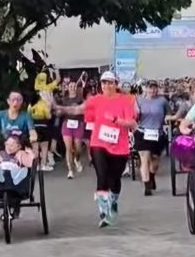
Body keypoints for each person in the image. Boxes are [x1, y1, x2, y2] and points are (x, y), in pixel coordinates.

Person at [56, 72, 137, 227]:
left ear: (116, 84)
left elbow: (132, 123)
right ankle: (103, 211)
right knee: (101, 175)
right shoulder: (96, 100)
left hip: (119, 147)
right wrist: (56, 107)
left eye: (110, 83)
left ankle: (113, 201)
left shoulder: (126, 101)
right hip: (99, 143)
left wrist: (115, 120)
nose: (107, 86)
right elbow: (77, 110)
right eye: (104, 83)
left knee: (114, 180)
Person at [0, 135, 37, 219]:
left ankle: (17, 176)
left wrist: (30, 153)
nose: (9, 147)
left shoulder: (20, 154)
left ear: (19, 146)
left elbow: (30, 163)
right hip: (1, 172)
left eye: (12, 145)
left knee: (18, 171)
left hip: (13, 174)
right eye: (7, 144)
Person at [134, 80, 170, 196]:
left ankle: (152, 176)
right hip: (143, 132)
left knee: (154, 162)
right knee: (144, 158)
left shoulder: (162, 101)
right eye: (150, 88)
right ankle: (146, 186)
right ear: (146, 89)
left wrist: (168, 118)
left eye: (154, 88)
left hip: (157, 133)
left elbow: (168, 113)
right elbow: (134, 115)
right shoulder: (139, 100)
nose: (152, 90)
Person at [58, 80, 86, 179]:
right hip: (67, 125)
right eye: (71, 86)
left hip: (78, 124)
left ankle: (77, 159)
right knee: (68, 148)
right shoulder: (64, 100)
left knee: (78, 148)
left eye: (74, 86)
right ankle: (70, 170)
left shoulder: (80, 99)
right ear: (67, 88)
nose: (72, 88)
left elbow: (85, 111)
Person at [28, 91, 54, 172]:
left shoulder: (30, 105)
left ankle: (36, 165)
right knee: (44, 147)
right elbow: (48, 116)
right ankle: (43, 165)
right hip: (44, 126)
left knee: (35, 148)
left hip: (33, 127)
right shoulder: (44, 104)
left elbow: (28, 116)